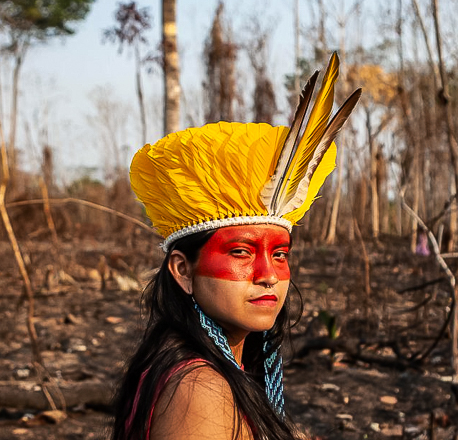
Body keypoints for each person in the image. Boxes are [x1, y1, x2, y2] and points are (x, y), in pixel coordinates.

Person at [110, 53, 360, 440]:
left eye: (279, 254)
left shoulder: (217, 364)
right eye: (240, 252)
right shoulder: (200, 389)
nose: (268, 277)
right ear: (182, 270)